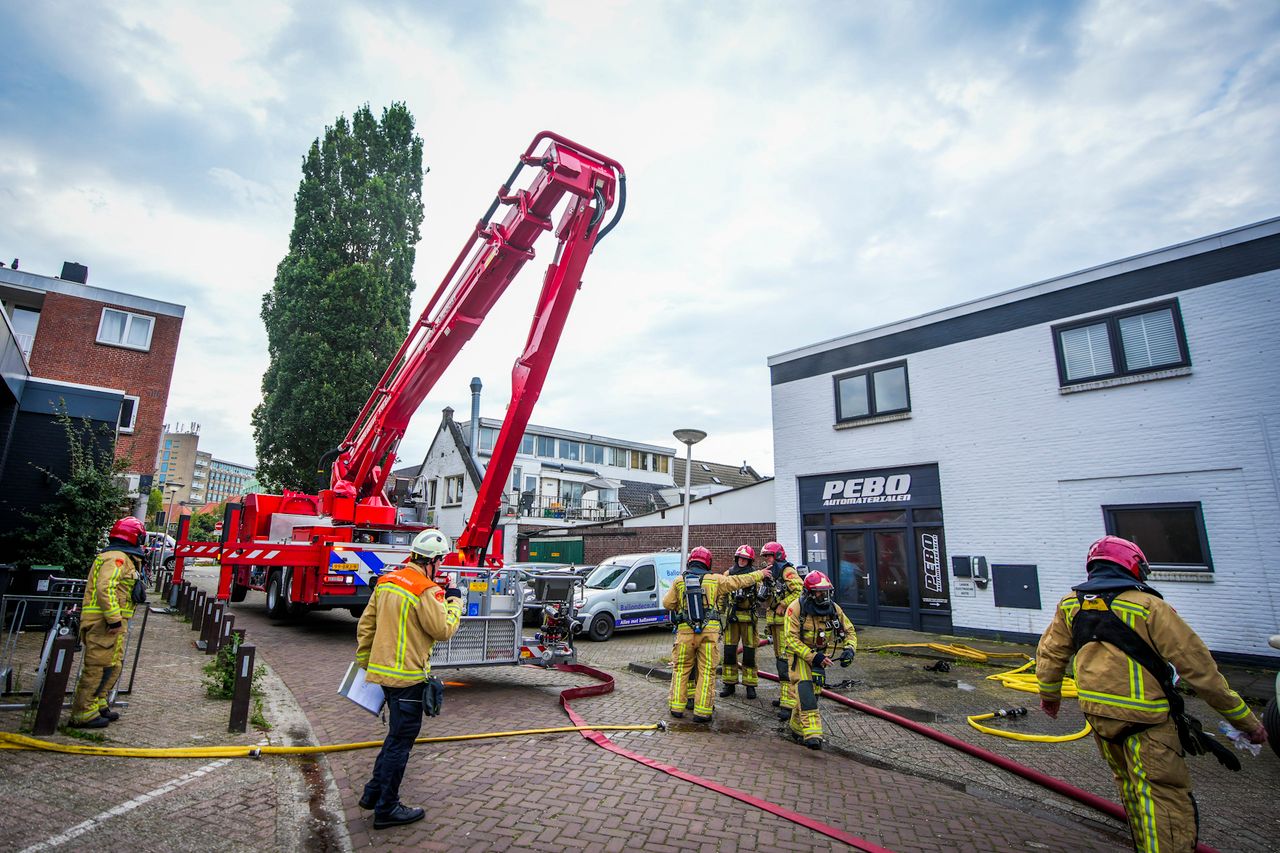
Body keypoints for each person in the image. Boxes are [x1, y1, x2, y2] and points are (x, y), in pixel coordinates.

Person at [1037, 535, 1267, 853]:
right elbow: (1200, 670)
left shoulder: (1071, 604)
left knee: (1130, 786)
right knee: (1163, 798)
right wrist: (1246, 721)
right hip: (1147, 720)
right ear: (1133, 566)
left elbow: (1049, 654)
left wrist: (1050, 697)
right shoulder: (1150, 607)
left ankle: (1144, 844)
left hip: (1098, 716)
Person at [355, 529, 463, 830]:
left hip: (385, 677)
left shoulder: (388, 582)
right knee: (401, 743)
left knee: (394, 737)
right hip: (409, 679)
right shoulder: (426, 590)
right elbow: (443, 629)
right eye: (439, 562)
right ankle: (387, 808)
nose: (439, 567)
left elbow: (366, 627)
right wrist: (454, 600)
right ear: (432, 561)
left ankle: (373, 793)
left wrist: (366, 666)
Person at [663, 546, 769, 722]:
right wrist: (760, 574)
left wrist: (681, 608)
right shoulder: (716, 580)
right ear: (708, 562)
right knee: (706, 672)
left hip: (685, 634)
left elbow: (667, 603)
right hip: (709, 634)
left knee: (681, 670)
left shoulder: (679, 581)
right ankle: (703, 712)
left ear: (690, 561)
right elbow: (739, 581)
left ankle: (676, 708)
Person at [69, 516, 147, 728]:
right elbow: (106, 589)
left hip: (114, 624)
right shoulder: (116, 558)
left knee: (112, 664)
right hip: (104, 623)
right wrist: (113, 620)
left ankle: (99, 703)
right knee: (97, 666)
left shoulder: (121, 556)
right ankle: (83, 712)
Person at [781, 571, 856, 749]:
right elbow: (791, 640)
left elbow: (850, 631)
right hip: (799, 655)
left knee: (813, 692)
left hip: (820, 657)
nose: (824, 596)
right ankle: (813, 734)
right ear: (809, 593)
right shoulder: (795, 609)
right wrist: (814, 657)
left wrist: (849, 649)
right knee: (805, 689)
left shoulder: (834, 610)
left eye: (826, 592)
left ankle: (796, 727)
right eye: (819, 592)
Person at [760, 541, 804, 721]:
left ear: (778, 556)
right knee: (780, 661)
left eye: (769, 556)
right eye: (765, 557)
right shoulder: (773, 572)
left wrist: (784, 604)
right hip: (776, 624)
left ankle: (789, 703)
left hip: (786, 624)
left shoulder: (787, 571)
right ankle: (785, 697)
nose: (766, 560)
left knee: (786, 662)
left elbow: (801, 591)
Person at [720, 545, 763, 699]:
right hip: (732, 618)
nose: (742, 561)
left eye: (745, 559)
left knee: (749, 653)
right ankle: (729, 684)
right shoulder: (728, 573)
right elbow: (721, 594)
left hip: (749, 619)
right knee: (730, 652)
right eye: (740, 558)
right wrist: (718, 612)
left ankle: (750, 686)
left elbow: (761, 595)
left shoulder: (756, 575)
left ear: (750, 561)